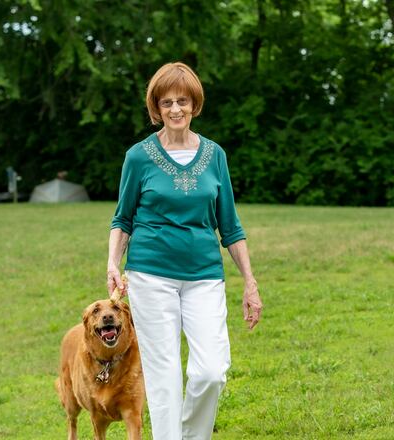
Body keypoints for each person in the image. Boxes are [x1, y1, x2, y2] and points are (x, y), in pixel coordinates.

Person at [107, 62, 263, 440]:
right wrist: (113, 262)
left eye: (182, 101)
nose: (175, 109)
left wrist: (250, 282)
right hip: (150, 274)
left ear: (195, 104)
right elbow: (123, 218)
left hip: (204, 275)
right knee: (164, 377)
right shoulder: (139, 156)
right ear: (156, 108)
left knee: (211, 371)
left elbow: (230, 226)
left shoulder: (215, 155)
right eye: (167, 103)